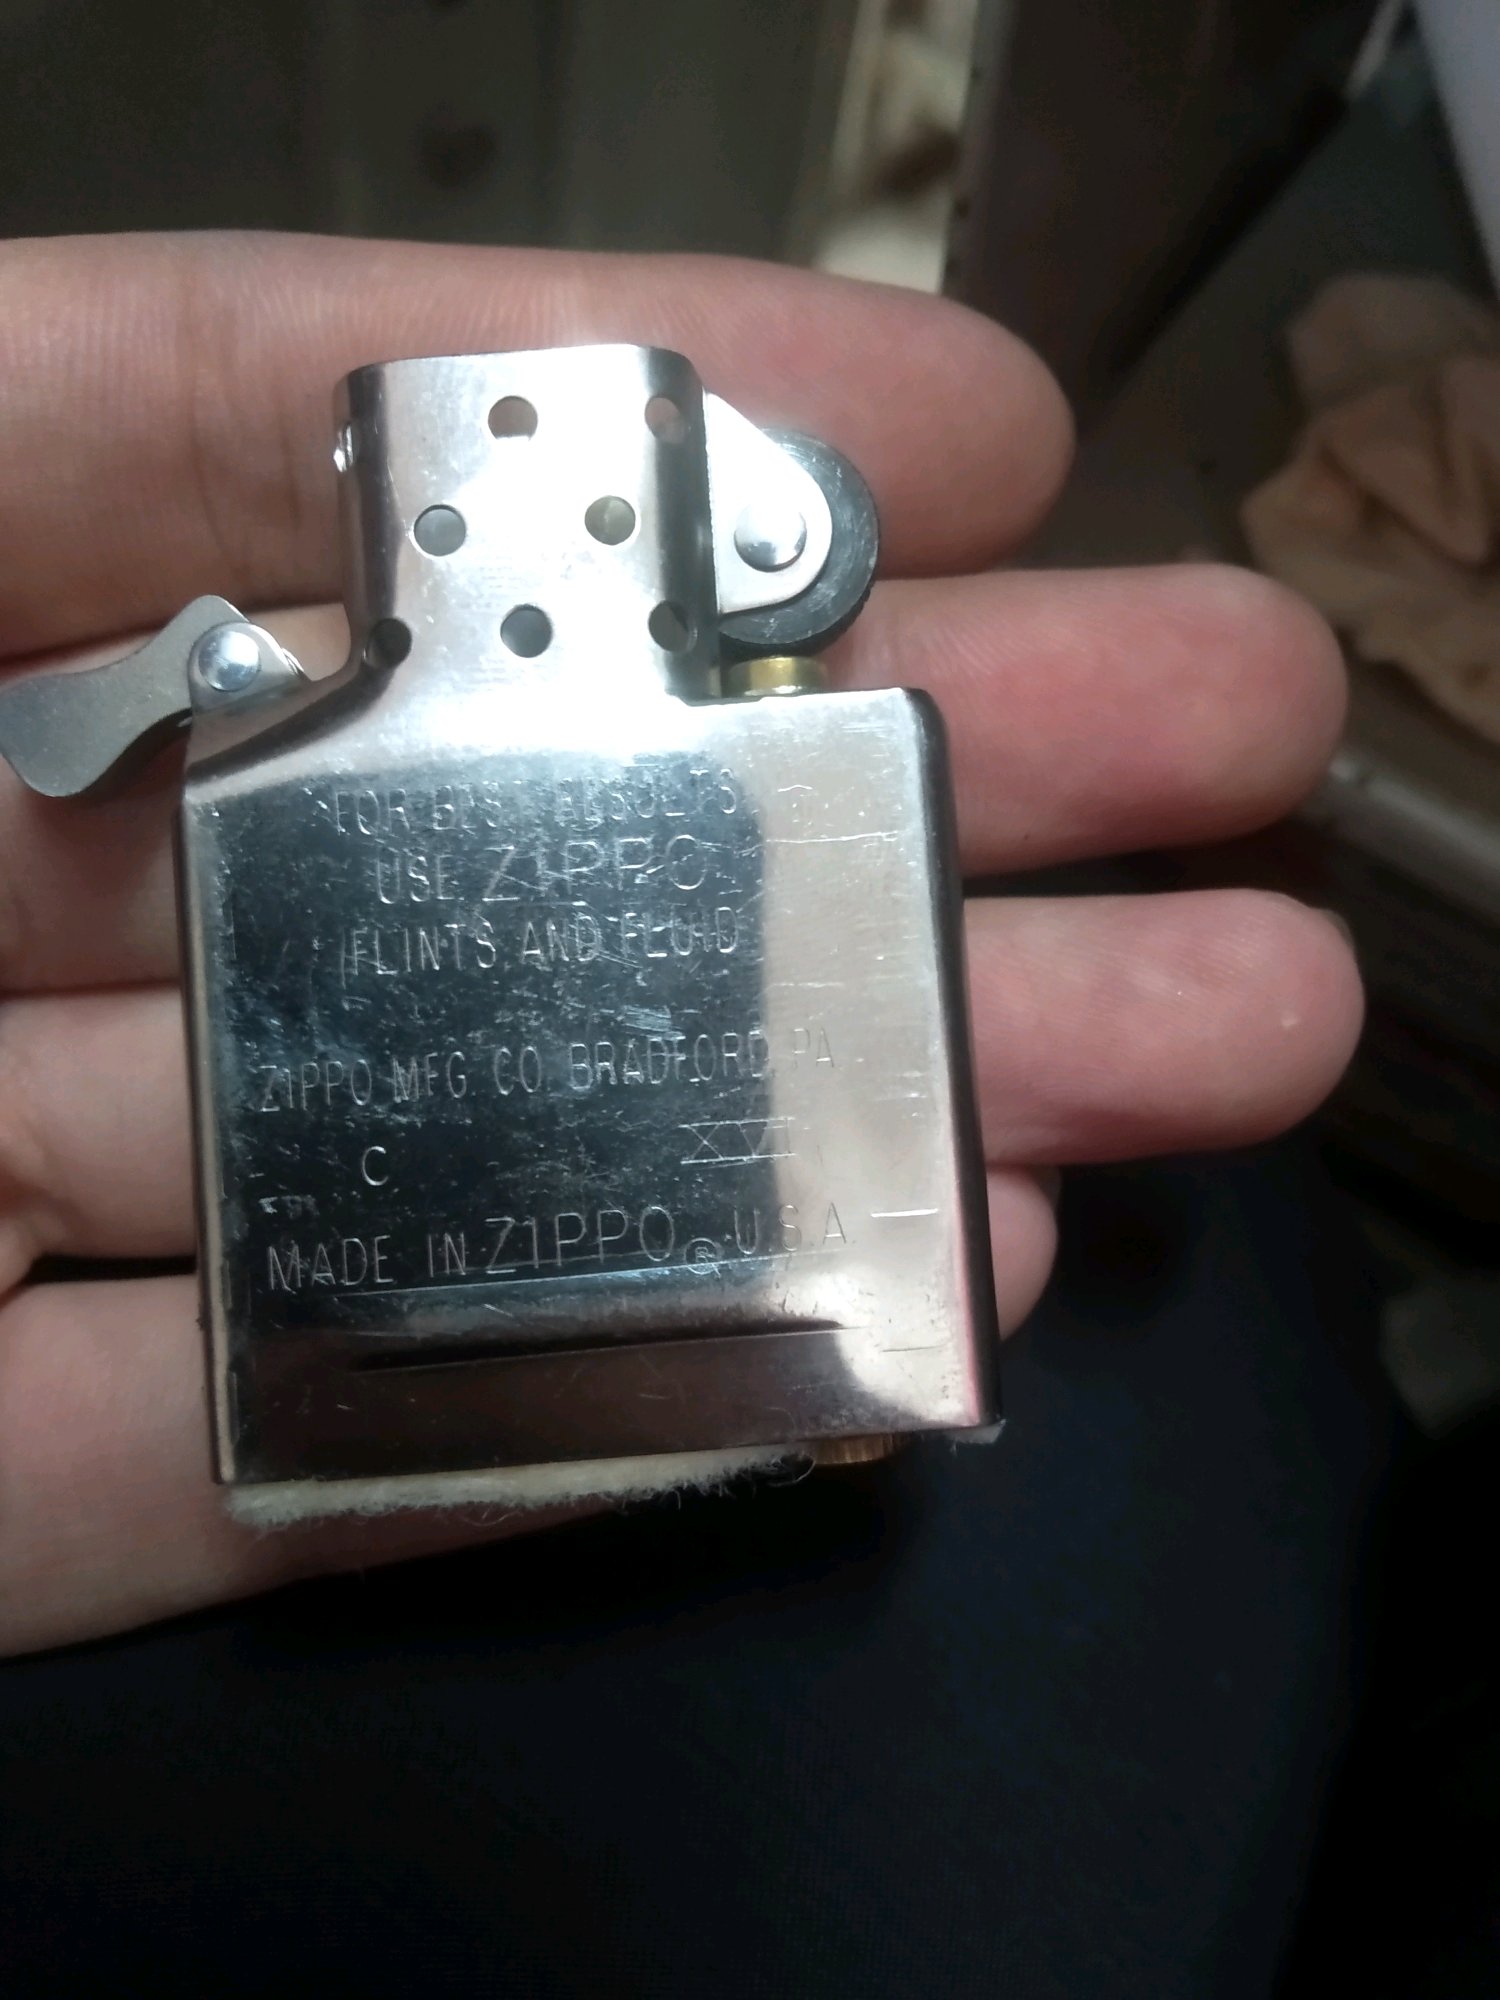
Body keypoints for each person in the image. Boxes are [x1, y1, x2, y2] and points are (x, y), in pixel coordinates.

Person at [0, 232, 1361, 1657]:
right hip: (647, 1384)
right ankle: (824, 1395)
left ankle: (824, 1390)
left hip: (477, 1383)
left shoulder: (275, 779)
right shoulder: (285, 796)